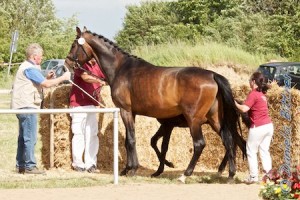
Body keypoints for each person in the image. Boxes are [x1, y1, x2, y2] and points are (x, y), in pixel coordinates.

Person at [11, 43, 71, 174]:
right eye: (41, 56)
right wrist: (63, 78)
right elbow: (46, 84)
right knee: (30, 137)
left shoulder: (26, 67)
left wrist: (47, 77)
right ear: (34, 56)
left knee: (22, 137)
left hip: (22, 105)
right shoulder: (30, 68)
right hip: (27, 105)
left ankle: (20, 165)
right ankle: (30, 166)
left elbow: (41, 82)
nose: (42, 59)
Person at [235, 71, 274, 184]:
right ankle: (269, 175)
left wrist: (235, 103)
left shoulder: (253, 94)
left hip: (258, 127)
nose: (249, 83)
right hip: (268, 126)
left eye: (249, 80)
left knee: (251, 151)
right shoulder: (262, 94)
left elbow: (244, 109)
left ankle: (253, 177)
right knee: (264, 150)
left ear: (253, 81)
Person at [69, 58, 106, 173]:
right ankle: (78, 163)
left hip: (92, 104)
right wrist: (100, 81)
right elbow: (85, 77)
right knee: (79, 134)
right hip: (79, 104)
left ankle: (91, 164)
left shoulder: (98, 66)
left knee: (92, 135)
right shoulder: (80, 64)